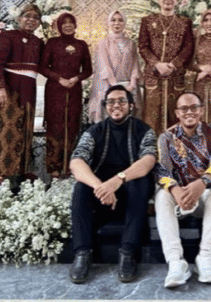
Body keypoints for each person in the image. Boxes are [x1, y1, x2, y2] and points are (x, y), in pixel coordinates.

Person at [68, 85, 156, 284]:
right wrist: (100, 186)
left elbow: (148, 161)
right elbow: (76, 162)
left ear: (131, 105)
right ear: (105, 106)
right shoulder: (94, 131)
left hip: (131, 193)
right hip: (102, 195)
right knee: (81, 188)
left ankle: (128, 252)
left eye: (122, 101)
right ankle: (82, 253)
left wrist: (117, 181)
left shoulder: (144, 130)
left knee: (140, 183)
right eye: (111, 102)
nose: (116, 105)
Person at [154, 91, 211, 288]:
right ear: (177, 113)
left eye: (194, 107)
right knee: (161, 196)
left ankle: (205, 257)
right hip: (178, 198)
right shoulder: (166, 137)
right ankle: (176, 262)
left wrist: (201, 183)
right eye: (184, 108)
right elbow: (162, 171)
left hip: (203, 195)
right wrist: (176, 190)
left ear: (201, 110)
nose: (189, 112)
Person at [0, 3, 43, 187]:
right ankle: (1, 175)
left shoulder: (38, 42)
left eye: (35, 17)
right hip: (9, 90)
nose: (31, 20)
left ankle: (23, 171)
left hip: (29, 90)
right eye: (27, 16)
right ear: (19, 18)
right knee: (8, 130)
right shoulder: (8, 36)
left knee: (27, 130)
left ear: (39, 22)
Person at [40, 12, 92, 178]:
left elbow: (88, 70)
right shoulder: (52, 43)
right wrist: (59, 79)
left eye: (71, 22)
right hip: (55, 90)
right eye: (64, 23)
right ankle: (53, 168)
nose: (68, 25)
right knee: (55, 126)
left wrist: (76, 78)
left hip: (74, 90)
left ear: (75, 25)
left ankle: (70, 166)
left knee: (72, 126)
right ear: (59, 26)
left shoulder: (81, 45)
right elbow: (42, 67)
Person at [138, 0, 194, 134]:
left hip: (175, 76)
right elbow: (143, 47)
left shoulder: (185, 22)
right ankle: (152, 148)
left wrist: (173, 65)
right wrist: (157, 64)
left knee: (175, 114)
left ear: (177, 0)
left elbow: (188, 47)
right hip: (154, 76)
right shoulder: (147, 21)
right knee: (152, 116)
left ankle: (175, 147)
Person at [88, 10, 141, 123]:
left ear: (124, 23)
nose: (117, 23)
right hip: (109, 86)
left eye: (120, 20)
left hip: (129, 86)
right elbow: (104, 66)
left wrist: (132, 84)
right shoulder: (103, 43)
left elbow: (135, 64)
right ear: (108, 22)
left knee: (128, 118)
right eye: (113, 20)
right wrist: (116, 86)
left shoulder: (131, 43)